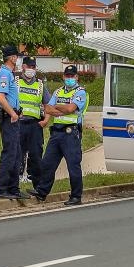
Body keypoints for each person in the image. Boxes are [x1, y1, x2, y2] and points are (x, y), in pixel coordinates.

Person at [34, 63, 88, 206]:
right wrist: (61, 109)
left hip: (71, 133)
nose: (69, 78)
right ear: (63, 77)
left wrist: (57, 108)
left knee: (73, 166)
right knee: (47, 163)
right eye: (67, 76)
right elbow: (47, 108)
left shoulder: (81, 92)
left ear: (76, 77)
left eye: (72, 76)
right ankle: (41, 192)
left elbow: (71, 108)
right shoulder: (58, 92)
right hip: (57, 132)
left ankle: (76, 196)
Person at [0, 44, 25, 201]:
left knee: (17, 154)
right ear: (11, 58)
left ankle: (13, 188)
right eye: (16, 57)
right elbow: (0, 97)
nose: (17, 59)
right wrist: (12, 113)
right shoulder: (5, 74)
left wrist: (18, 109)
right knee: (10, 153)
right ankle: (0, 188)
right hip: (8, 117)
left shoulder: (9, 74)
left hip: (13, 116)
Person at [15, 56, 47, 194]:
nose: (31, 69)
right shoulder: (15, 82)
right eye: (29, 66)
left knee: (36, 154)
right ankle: (14, 183)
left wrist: (46, 120)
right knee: (16, 153)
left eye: (33, 67)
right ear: (23, 67)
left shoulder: (40, 85)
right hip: (19, 124)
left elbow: (48, 104)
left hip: (35, 125)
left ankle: (37, 185)